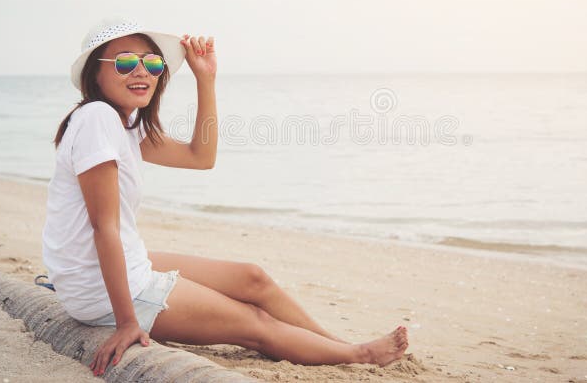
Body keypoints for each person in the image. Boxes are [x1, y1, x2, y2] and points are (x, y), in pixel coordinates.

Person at [42, 20, 409, 377]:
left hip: (116, 264)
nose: (141, 71)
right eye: (124, 62)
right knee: (256, 323)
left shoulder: (124, 128)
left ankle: (335, 344)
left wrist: (206, 79)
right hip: (99, 288)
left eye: (152, 63)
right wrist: (127, 322)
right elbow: (102, 226)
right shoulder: (97, 119)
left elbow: (201, 157)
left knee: (253, 278)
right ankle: (361, 355)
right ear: (96, 74)